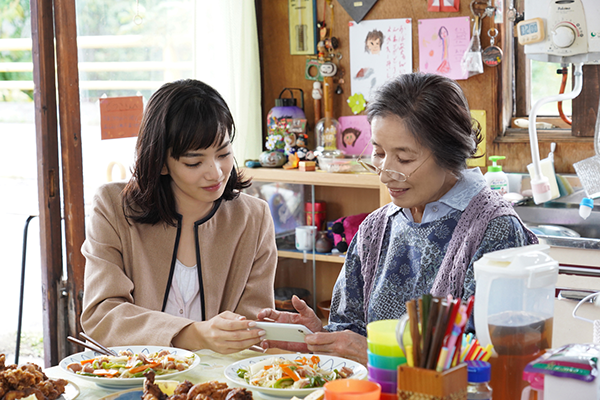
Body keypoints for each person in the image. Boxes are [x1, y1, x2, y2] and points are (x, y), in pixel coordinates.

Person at [257, 73, 538, 365]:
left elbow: (489, 361)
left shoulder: (495, 230)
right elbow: (350, 330)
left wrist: (372, 355)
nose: (385, 172)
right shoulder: (375, 228)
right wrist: (318, 336)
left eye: (404, 159)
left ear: (449, 152)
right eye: (378, 153)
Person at [81, 79, 277, 354]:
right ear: (160, 162)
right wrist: (192, 334)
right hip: (128, 375)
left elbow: (255, 326)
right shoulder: (113, 207)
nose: (216, 172)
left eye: (223, 154)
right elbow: (102, 315)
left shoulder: (253, 218)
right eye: (194, 162)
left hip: (216, 382)